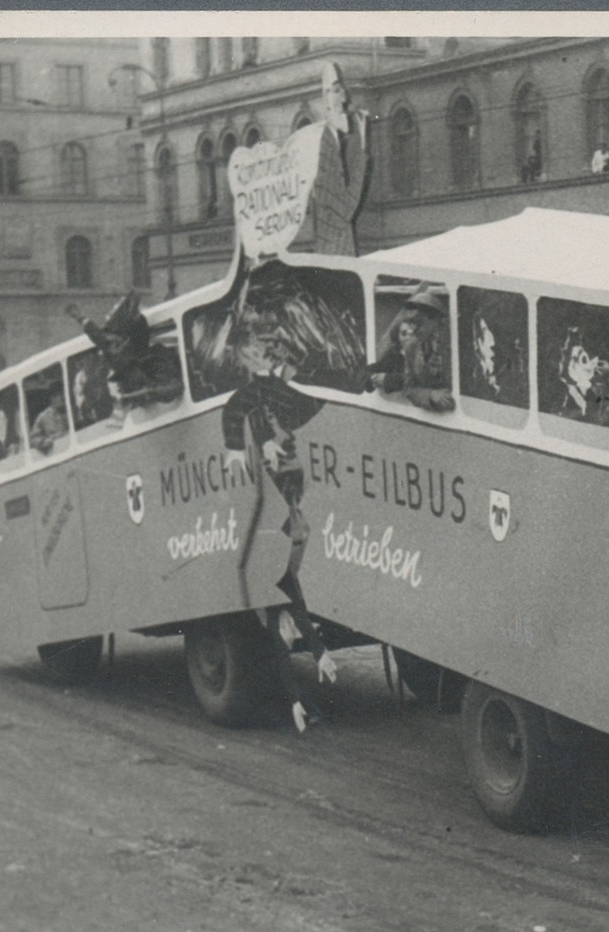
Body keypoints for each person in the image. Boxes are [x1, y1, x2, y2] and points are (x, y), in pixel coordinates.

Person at [221, 319, 337, 732]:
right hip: (283, 487)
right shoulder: (256, 393)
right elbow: (238, 410)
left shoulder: (269, 389)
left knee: (285, 608)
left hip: (283, 481)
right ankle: (297, 706)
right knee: (287, 603)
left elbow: (249, 409)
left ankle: (297, 706)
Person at [310, 63, 369, 256]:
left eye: (338, 90)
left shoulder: (335, 140)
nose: (338, 98)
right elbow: (346, 208)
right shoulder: (326, 144)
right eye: (330, 91)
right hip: (336, 254)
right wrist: (362, 147)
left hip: (338, 251)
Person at [367, 288, 454, 412]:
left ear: (436, 322)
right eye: (412, 323)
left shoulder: (453, 348)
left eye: (419, 323)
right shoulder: (413, 348)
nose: (414, 329)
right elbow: (409, 389)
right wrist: (430, 395)